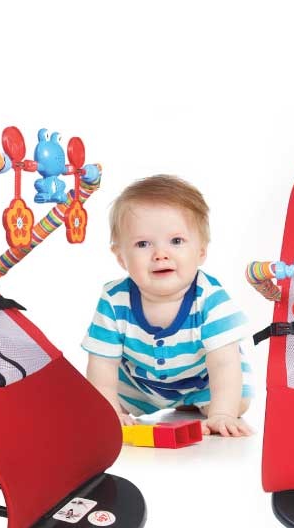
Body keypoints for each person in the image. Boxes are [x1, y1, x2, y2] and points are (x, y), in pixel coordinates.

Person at [82, 175, 254, 437]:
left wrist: (223, 413)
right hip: (140, 385)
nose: (160, 254)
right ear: (121, 258)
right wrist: (110, 410)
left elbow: (223, 364)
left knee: (236, 400)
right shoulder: (114, 299)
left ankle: (207, 405)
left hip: (205, 380)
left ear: (201, 251)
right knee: (95, 404)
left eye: (176, 241)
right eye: (143, 244)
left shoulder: (210, 298)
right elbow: (102, 364)